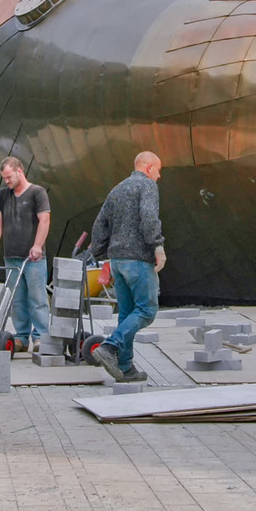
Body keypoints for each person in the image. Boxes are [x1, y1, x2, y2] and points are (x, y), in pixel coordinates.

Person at [90, 151, 166, 382]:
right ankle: (110, 346)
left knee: (126, 313)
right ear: (149, 167)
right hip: (138, 259)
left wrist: (102, 255)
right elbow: (149, 216)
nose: (159, 176)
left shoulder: (118, 189)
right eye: (159, 170)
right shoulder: (147, 186)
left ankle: (125, 367)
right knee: (146, 310)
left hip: (117, 261)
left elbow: (99, 224)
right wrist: (158, 246)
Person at [0, 156, 51, 352]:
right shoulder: (3, 195)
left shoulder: (37, 193)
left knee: (37, 297)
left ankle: (41, 337)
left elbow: (44, 220)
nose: (7, 181)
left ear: (19, 171)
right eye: (4, 178)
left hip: (33, 258)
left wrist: (38, 245)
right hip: (11, 255)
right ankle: (21, 337)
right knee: (16, 299)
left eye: (9, 177)